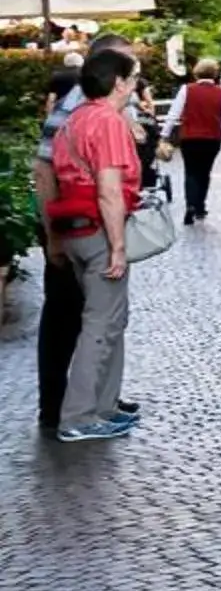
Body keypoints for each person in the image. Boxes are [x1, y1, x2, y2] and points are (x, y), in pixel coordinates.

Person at [47, 47, 141, 444]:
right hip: (98, 231)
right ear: (117, 82)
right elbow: (108, 189)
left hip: (74, 231)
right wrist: (118, 247)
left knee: (109, 320)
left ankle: (103, 408)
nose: (136, 84)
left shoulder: (75, 119)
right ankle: (80, 416)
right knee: (101, 325)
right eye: (133, 77)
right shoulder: (107, 120)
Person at [30, 49, 83, 434]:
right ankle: (55, 402)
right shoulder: (72, 109)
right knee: (64, 315)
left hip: (78, 224)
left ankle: (87, 396)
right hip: (68, 225)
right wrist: (52, 237)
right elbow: (43, 170)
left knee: (89, 317)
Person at [163, 59, 221, 226]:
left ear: (196, 72)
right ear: (215, 73)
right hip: (213, 139)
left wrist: (164, 135)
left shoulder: (187, 90)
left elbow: (174, 113)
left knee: (190, 172)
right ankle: (200, 205)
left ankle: (190, 206)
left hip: (190, 138)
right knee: (204, 173)